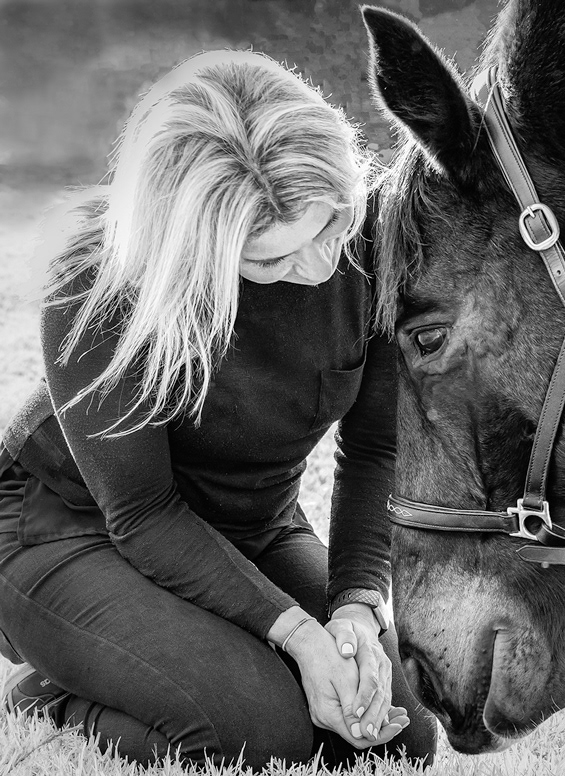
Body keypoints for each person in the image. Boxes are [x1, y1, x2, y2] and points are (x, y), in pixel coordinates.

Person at [0, 50, 437, 770]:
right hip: (69, 528)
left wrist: (358, 605)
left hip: (247, 528)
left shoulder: (378, 238)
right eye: (271, 262)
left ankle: (180, 656)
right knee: (261, 736)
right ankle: (52, 688)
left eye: (330, 228)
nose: (320, 268)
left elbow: (376, 452)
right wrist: (295, 633)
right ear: (194, 249)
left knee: (399, 734)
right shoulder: (98, 283)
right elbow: (141, 513)